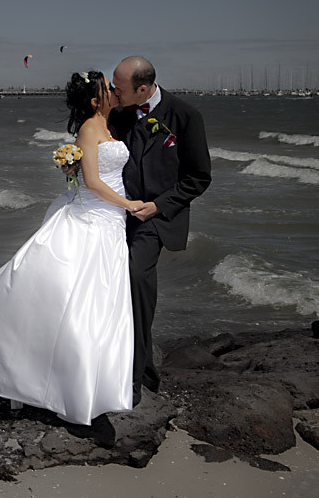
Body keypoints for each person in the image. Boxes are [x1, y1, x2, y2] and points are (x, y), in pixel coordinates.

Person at [0, 71, 142, 425]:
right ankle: (52, 382)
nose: (113, 90)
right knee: (75, 298)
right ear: (96, 101)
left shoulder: (110, 125)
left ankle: (88, 381)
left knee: (99, 302)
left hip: (110, 221)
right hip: (98, 215)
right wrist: (130, 204)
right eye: (106, 89)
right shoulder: (91, 129)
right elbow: (92, 182)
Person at [108, 56, 212, 406]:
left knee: (136, 282)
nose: (113, 92)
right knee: (111, 288)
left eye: (117, 88)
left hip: (156, 218)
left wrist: (159, 205)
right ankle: (144, 371)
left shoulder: (185, 116)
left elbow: (198, 177)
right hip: (116, 213)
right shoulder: (119, 113)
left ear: (142, 88)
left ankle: (133, 382)